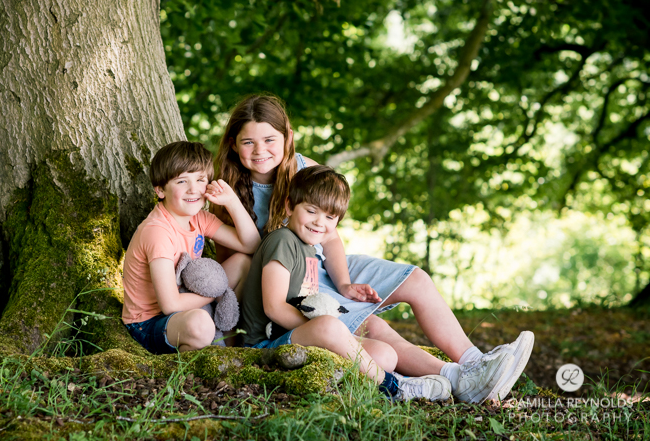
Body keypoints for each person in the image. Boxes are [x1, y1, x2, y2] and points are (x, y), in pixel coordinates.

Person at [214, 94, 533, 402]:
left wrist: (344, 284)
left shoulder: (303, 169)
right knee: (378, 334)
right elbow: (237, 265)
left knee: (416, 280)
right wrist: (229, 338)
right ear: (234, 143)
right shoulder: (227, 189)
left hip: (323, 266)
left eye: (270, 139)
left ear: (288, 137)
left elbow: (330, 235)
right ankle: (449, 379)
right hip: (288, 286)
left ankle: (475, 365)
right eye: (248, 142)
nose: (260, 150)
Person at [241, 165, 468, 402]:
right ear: (289, 205)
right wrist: (326, 331)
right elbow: (274, 307)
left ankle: (393, 375)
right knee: (329, 327)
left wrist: (336, 336)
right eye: (311, 211)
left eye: (330, 217)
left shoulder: (310, 249)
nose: (319, 222)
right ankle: (395, 387)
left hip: (300, 337)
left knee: (386, 355)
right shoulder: (282, 240)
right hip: (265, 344)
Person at [122, 141, 260, 354]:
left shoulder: (200, 218)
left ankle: (230, 346)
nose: (193, 189)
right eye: (181, 181)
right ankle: (191, 366)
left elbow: (251, 245)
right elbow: (169, 305)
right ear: (160, 190)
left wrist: (232, 201)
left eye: (200, 179)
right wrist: (216, 292)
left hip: (188, 303)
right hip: (150, 322)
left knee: (244, 263)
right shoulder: (158, 231)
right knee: (200, 324)